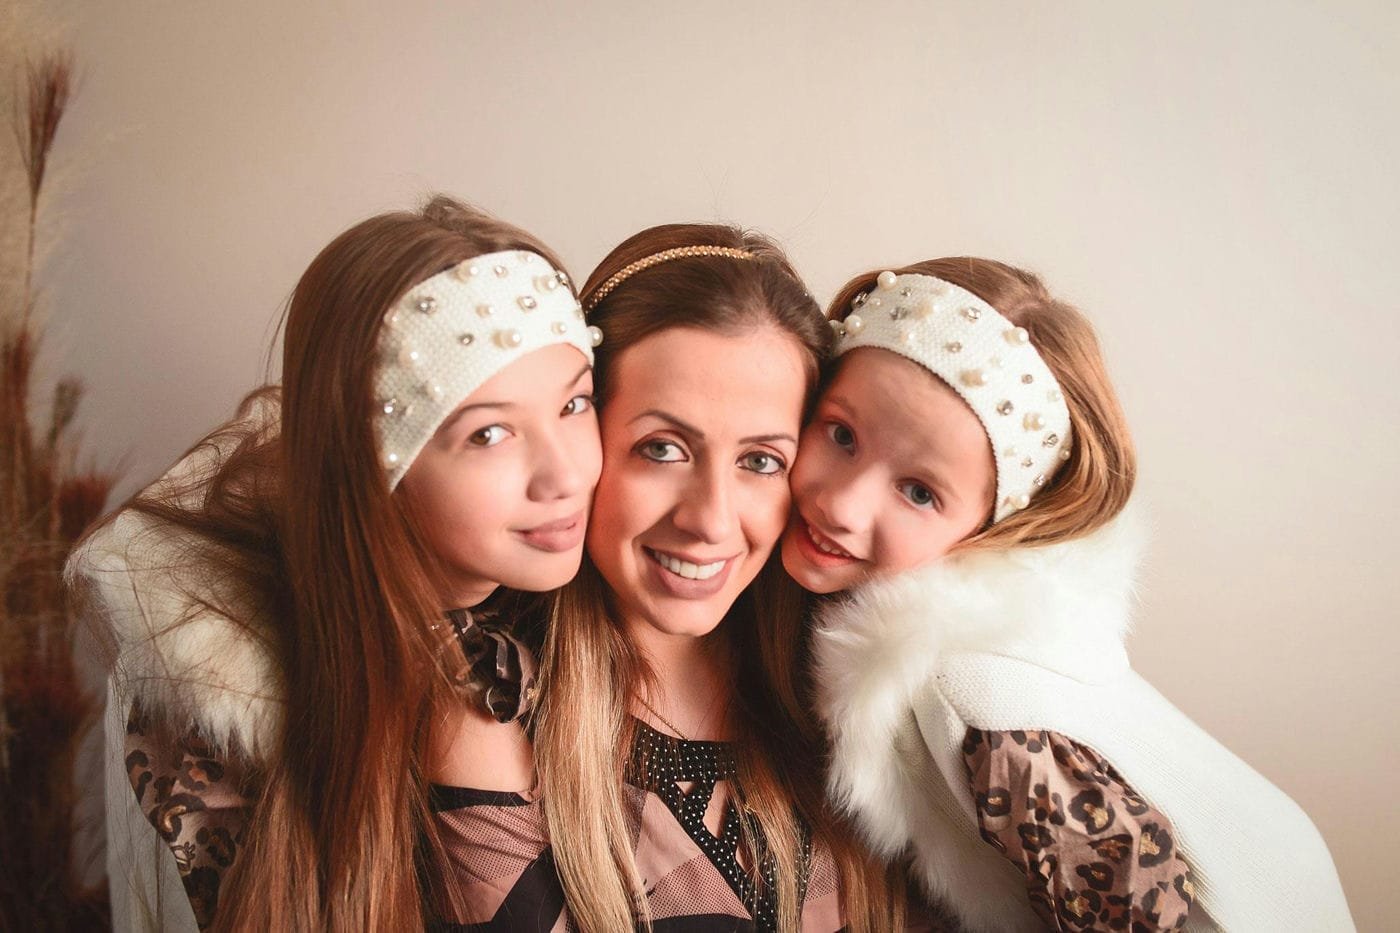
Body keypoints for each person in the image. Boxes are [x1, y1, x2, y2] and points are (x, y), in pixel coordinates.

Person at [68, 196, 603, 931]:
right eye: (488, 434)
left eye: (575, 405)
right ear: (372, 467)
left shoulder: (585, 617)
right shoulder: (214, 707)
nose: (565, 475)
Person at [780, 259, 1355, 931]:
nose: (843, 504)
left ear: (994, 528)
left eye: (919, 492)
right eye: (841, 434)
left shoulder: (980, 700)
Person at [511, 226, 894, 930]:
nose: (711, 521)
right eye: (662, 448)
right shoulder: (496, 705)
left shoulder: (856, 696)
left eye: (760, 461)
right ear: (581, 435)